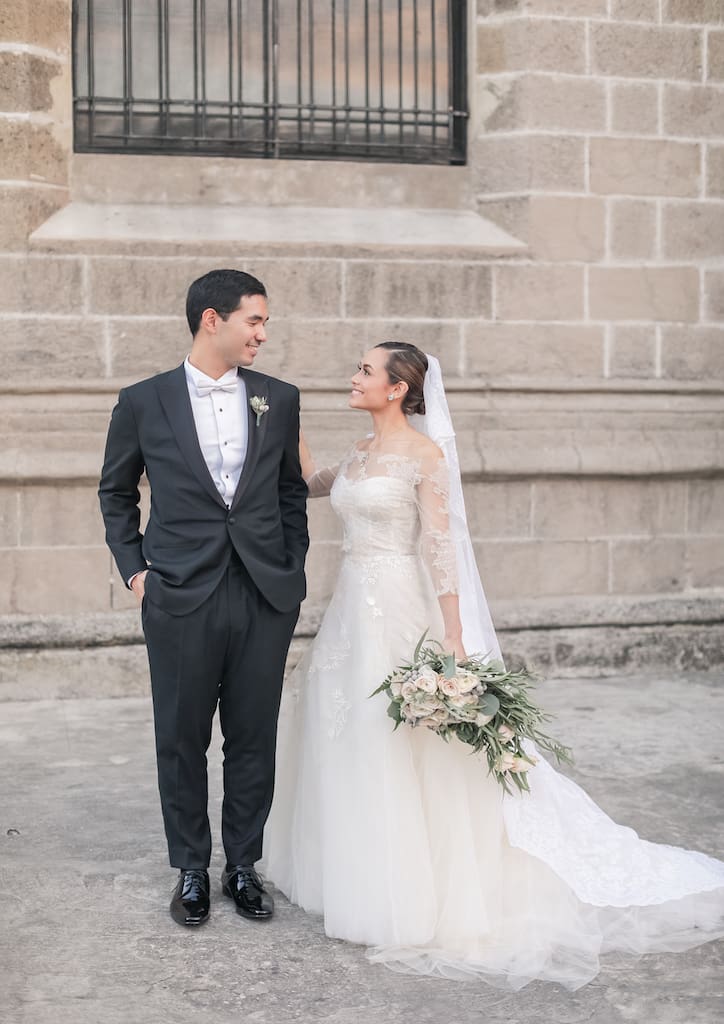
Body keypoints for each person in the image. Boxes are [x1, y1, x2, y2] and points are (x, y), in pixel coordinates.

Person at [262, 342, 724, 990]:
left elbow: (442, 550)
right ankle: (353, 875)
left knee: (398, 738)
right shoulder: (362, 454)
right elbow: (311, 483)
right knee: (347, 733)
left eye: (366, 370)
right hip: (347, 614)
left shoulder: (425, 457)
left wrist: (453, 641)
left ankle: (411, 894)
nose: (354, 376)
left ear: (397, 388)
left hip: (397, 606)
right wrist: (284, 421)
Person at [98, 269, 308, 927]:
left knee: (253, 736)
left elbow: (289, 492)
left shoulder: (279, 397)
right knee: (181, 737)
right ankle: (191, 865)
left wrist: (290, 569)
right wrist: (136, 571)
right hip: (179, 593)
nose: (263, 334)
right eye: (255, 320)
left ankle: (242, 866)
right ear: (211, 320)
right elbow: (116, 492)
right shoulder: (142, 401)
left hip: (263, 594)